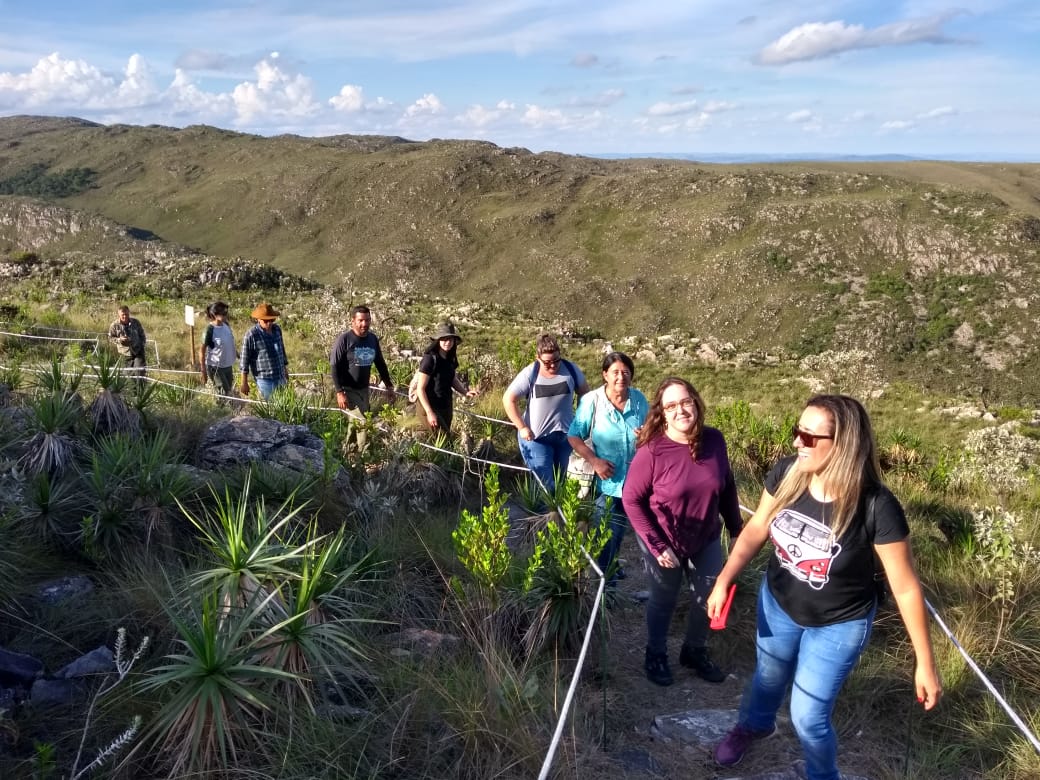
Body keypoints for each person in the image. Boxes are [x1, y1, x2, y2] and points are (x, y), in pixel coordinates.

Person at [708, 395, 942, 780]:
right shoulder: (787, 473)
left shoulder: (875, 506)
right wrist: (724, 579)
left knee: (808, 715)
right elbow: (756, 527)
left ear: (844, 443)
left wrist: (925, 664)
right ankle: (754, 725)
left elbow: (905, 588)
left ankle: (822, 775)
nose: (796, 442)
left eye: (809, 436)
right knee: (766, 677)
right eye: (796, 431)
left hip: (840, 624)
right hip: (779, 603)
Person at [622, 378, 743, 687]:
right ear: (662, 413)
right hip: (663, 537)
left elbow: (726, 486)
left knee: (708, 596)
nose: (680, 410)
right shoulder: (652, 451)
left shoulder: (714, 440)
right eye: (671, 406)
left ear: (696, 403)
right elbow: (631, 500)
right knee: (664, 598)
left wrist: (735, 527)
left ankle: (694, 650)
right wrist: (656, 544)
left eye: (685, 402)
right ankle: (656, 653)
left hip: (706, 535)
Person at [567, 352, 648, 584]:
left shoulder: (639, 400)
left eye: (625, 372)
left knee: (619, 530)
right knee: (606, 532)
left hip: (636, 480)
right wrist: (595, 461)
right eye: (615, 372)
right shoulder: (592, 401)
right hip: (607, 482)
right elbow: (574, 436)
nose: (621, 377)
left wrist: (645, 436)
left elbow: (653, 430)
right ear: (605, 375)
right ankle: (606, 585)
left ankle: (611, 565)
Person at [503, 334, 590, 495]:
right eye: (547, 362)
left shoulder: (570, 370)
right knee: (545, 486)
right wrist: (522, 427)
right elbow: (508, 399)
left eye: (556, 360)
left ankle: (562, 518)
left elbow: (585, 393)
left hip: (566, 438)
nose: (553, 366)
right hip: (536, 439)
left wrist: (581, 420)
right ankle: (542, 518)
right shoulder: (530, 373)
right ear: (538, 358)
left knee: (561, 481)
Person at [330, 305, 396, 416]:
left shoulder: (372, 339)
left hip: (364, 390)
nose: (364, 324)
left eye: (367, 320)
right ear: (353, 321)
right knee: (362, 425)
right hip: (348, 390)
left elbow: (380, 364)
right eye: (360, 320)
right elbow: (334, 365)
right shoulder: (344, 339)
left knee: (358, 425)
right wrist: (339, 392)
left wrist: (389, 386)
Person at [414, 321, 479, 433]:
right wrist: (429, 412)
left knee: (442, 441)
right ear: (438, 340)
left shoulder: (450, 359)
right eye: (444, 339)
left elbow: (452, 379)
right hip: (430, 406)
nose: (447, 342)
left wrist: (465, 392)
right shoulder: (430, 359)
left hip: (445, 406)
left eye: (450, 339)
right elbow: (420, 389)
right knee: (444, 441)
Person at [239, 302, 288, 400]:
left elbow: (282, 351)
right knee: (270, 409)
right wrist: (244, 383)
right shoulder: (251, 335)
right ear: (258, 320)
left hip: (280, 376)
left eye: (271, 320)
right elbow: (244, 360)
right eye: (266, 321)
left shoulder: (277, 330)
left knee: (283, 407)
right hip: (265, 380)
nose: (269, 323)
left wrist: (285, 370)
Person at [199, 301, 236, 403]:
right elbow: (202, 350)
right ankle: (220, 412)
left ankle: (227, 412)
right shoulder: (209, 330)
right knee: (223, 393)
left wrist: (238, 355)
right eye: (223, 314)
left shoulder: (226, 325)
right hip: (216, 366)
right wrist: (203, 371)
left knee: (229, 391)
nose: (225, 316)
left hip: (228, 365)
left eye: (226, 313)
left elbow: (230, 342)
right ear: (215, 314)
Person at [108, 305, 147, 375]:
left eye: (126, 314)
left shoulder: (135, 322)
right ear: (119, 314)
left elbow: (142, 335)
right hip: (125, 354)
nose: (125, 316)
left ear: (129, 313)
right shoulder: (114, 325)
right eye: (123, 315)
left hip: (138, 352)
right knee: (127, 376)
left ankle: (141, 386)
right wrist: (119, 340)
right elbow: (110, 338)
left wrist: (141, 345)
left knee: (139, 373)